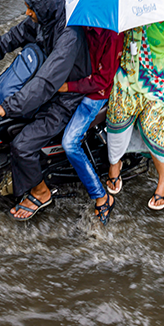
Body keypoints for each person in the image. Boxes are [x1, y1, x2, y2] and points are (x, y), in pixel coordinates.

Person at [0, 0, 90, 220]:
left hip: (64, 98)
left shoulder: (68, 37)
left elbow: (46, 83)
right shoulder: (44, 20)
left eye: (32, 9)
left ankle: (41, 193)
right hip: (46, 83)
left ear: (46, 8)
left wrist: (6, 108)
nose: (28, 13)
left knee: (22, 144)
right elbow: (16, 35)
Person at [105, 15, 164, 210]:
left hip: (161, 78)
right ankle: (116, 162)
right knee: (117, 111)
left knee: (151, 125)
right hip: (131, 70)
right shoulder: (126, 12)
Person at [59, 27, 124, 225]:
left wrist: (68, 86)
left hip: (95, 93)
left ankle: (101, 196)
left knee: (69, 143)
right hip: (76, 82)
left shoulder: (112, 36)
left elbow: (102, 80)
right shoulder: (78, 27)